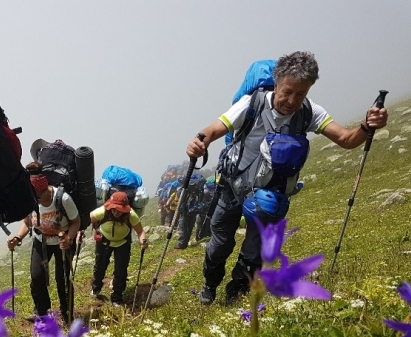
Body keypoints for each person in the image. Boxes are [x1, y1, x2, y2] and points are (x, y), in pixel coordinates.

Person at [185, 51, 388, 306]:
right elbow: (214, 128)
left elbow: (347, 140)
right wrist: (199, 142)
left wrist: (368, 127)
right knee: (220, 244)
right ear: (277, 82)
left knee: (254, 252)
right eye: (288, 91)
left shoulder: (309, 112)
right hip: (232, 187)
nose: (292, 100)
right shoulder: (252, 103)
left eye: (301, 93)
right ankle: (210, 283)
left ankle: (235, 294)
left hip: (269, 196)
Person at [6, 164, 80, 323]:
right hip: (41, 241)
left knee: (63, 280)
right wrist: (18, 238)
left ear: (45, 189)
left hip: (63, 242)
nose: (35, 199)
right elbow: (27, 223)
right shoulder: (30, 200)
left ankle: (67, 315)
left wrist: (69, 238)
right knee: (37, 277)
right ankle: (42, 313)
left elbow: (76, 221)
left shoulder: (62, 199)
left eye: (37, 196)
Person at [90, 191, 148, 306]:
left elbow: (140, 231)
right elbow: (88, 219)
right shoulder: (102, 211)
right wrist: (82, 232)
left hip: (122, 243)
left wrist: (143, 241)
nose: (116, 212)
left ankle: (117, 298)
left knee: (121, 271)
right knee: (99, 267)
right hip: (104, 241)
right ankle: (96, 288)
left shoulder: (131, 215)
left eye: (119, 209)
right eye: (114, 209)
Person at [175, 173, 206, 249]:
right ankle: (185, 242)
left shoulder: (184, 189)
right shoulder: (198, 188)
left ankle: (181, 243)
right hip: (194, 209)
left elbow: (180, 199)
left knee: (183, 226)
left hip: (185, 210)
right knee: (190, 225)